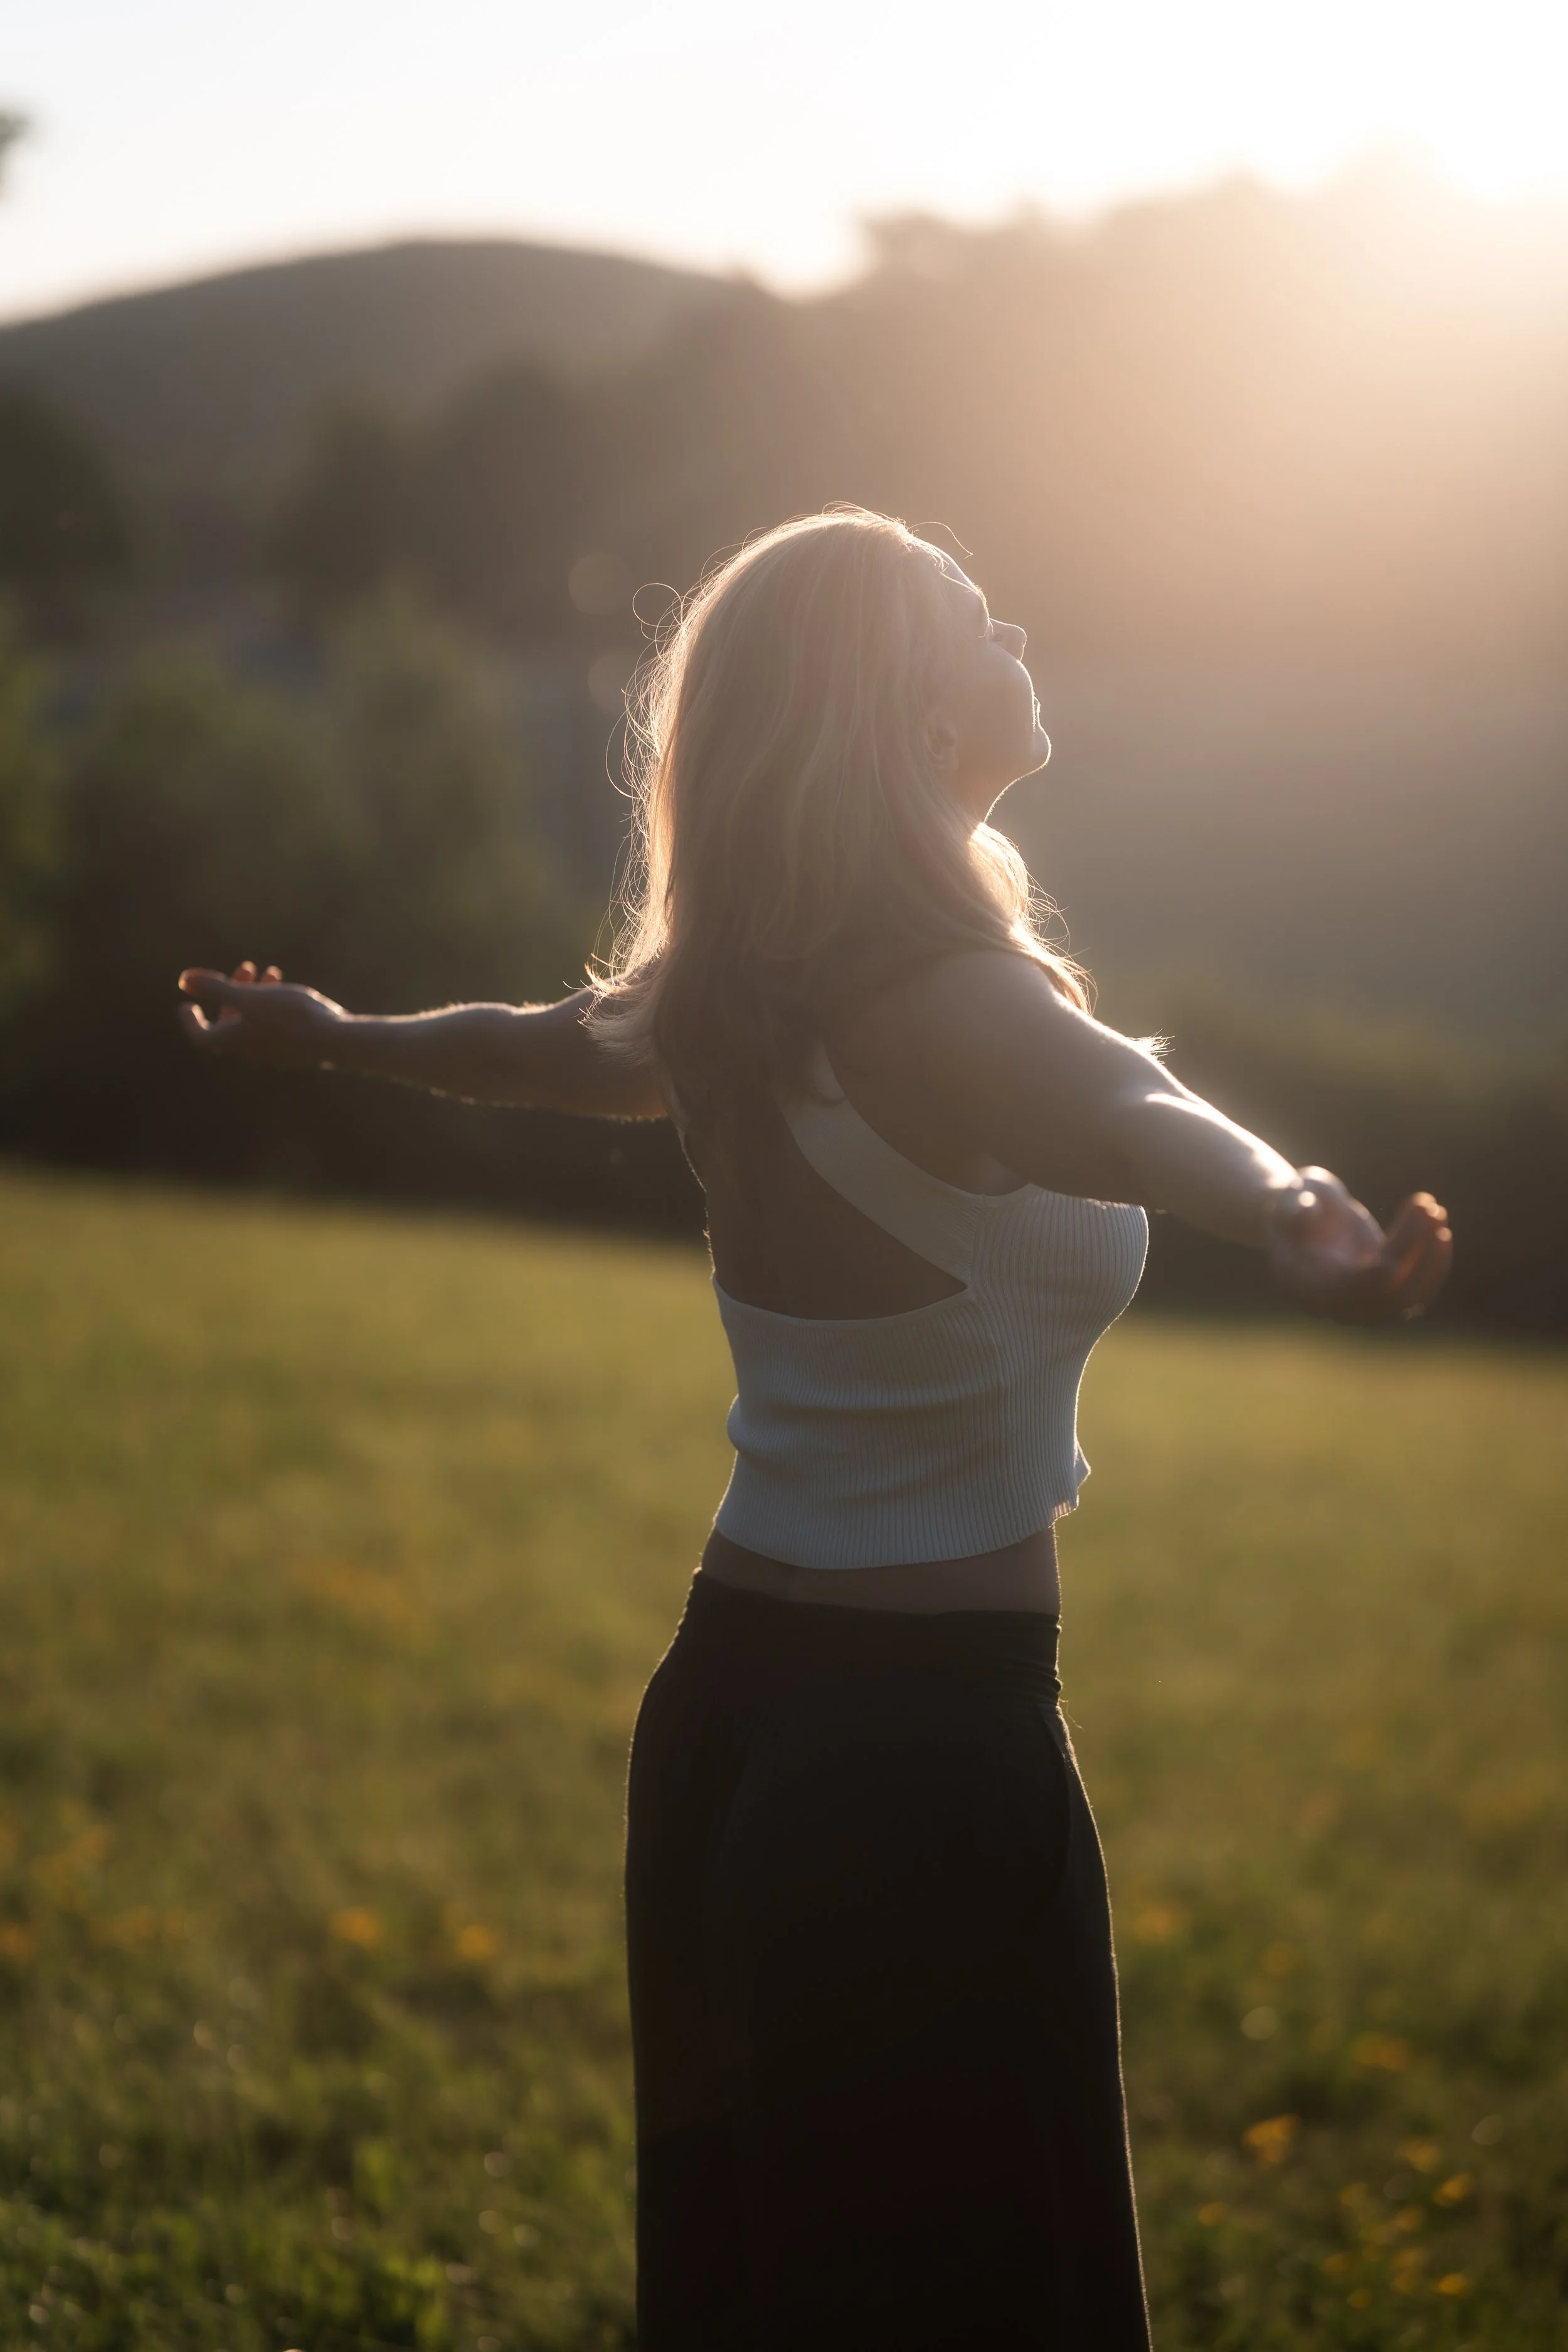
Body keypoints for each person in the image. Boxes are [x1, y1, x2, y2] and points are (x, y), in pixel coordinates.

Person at [177, 507, 1451, 2350]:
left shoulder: (733, 1002)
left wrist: (340, 1033)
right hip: (915, 1760)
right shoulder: (950, 1002)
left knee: (763, 2282)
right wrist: (1298, 1206)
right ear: (895, 707)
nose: (1009, 617)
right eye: (962, 610)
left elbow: (532, 1041)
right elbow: (1137, 1111)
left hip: (727, 1726)